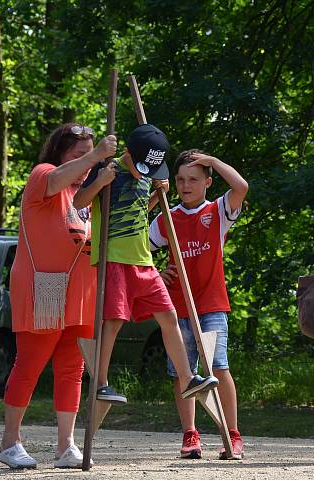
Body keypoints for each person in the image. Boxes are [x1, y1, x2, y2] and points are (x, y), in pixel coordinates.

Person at [0, 123, 116, 469]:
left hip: (80, 290)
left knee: (71, 367)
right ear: (61, 154)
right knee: (30, 363)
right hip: (44, 287)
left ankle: (66, 445)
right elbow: (53, 182)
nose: (87, 163)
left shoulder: (90, 191)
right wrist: (95, 156)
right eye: (78, 155)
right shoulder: (43, 174)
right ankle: (9, 441)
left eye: (89, 155)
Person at [73, 124, 219, 406]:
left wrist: (157, 195)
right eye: (140, 166)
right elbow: (78, 202)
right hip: (114, 257)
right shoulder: (108, 169)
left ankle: (189, 378)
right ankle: (101, 382)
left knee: (168, 316)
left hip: (143, 260)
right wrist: (100, 182)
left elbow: (138, 211)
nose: (144, 173)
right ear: (128, 153)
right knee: (114, 320)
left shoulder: (147, 175)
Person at [148, 150, 248, 459]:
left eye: (193, 179)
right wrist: (156, 274)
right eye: (180, 180)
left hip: (211, 304)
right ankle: (190, 435)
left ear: (207, 182)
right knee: (183, 371)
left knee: (218, 366)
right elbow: (137, 245)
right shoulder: (167, 217)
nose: (186, 185)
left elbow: (241, 188)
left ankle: (232, 433)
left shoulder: (218, 211)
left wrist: (215, 162)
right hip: (176, 307)